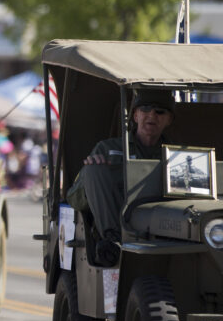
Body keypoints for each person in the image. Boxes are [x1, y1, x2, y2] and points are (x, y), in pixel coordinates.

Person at [68, 88, 175, 266]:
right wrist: (92, 177)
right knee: (94, 170)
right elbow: (74, 199)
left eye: (160, 112)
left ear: (169, 119)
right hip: (117, 233)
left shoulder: (177, 156)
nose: (152, 116)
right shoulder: (107, 149)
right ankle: (114, 241)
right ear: (135, 115)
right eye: (145, 109)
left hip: (165, 231)